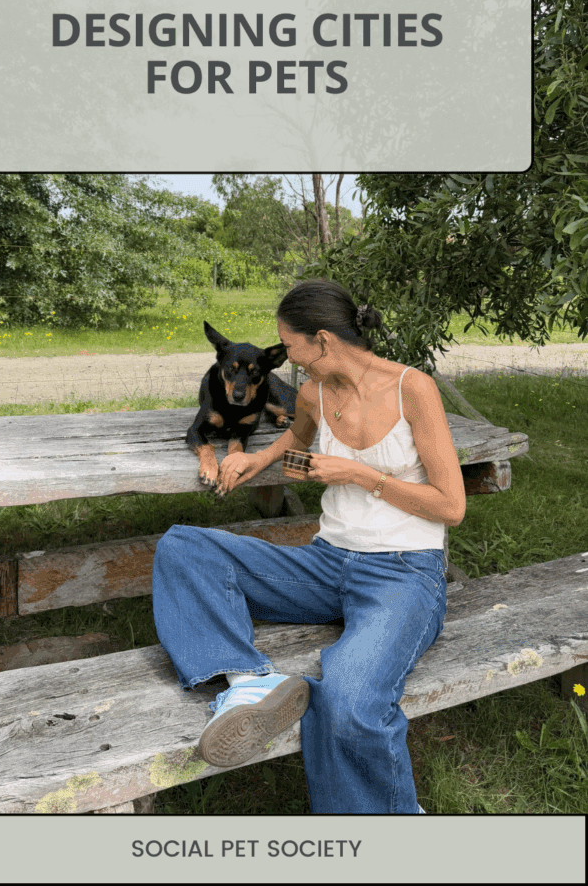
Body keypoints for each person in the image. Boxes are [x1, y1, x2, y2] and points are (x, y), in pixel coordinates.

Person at [152, 278, 466, 814]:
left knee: (346, 698)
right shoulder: (314, 393)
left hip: (403, 574)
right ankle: (251, 682)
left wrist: (360, 474)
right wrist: (256, 460)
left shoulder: (413, 389)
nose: (286, 361)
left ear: (321, 340)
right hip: (325, 563)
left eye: (290, 348)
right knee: (183, 547)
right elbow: (296, 437)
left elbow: (451, 507)